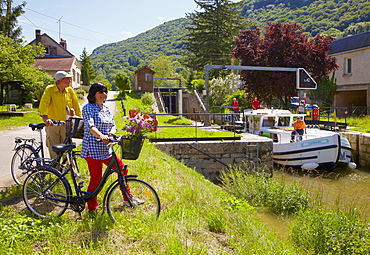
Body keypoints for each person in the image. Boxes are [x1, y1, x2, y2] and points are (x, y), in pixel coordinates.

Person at [81, 82, 141, 213]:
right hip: (93, 148)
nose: (104, 94)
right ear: (93, 94)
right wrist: (102, 136)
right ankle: (92, 208)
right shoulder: (88, 108)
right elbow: (90, 126)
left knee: (122, 169)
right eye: (100, 92)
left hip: (107, 148)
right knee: (96, 179)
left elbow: (113, 124)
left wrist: (111, 133)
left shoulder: (106, 108)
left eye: (105, 92)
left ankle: (128, 198)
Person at [39, 71, 82, 158]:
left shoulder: (70, 91)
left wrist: (79, 121)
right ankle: (55, 170)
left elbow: (76, 106)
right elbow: (43, 104)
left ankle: (67, 169)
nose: (70, 80)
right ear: (61, 80)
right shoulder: (50, 89)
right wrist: (46, 118)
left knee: (67, 149)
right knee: (54, 148)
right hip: (53, 124)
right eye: (68, 79)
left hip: (67, 125)